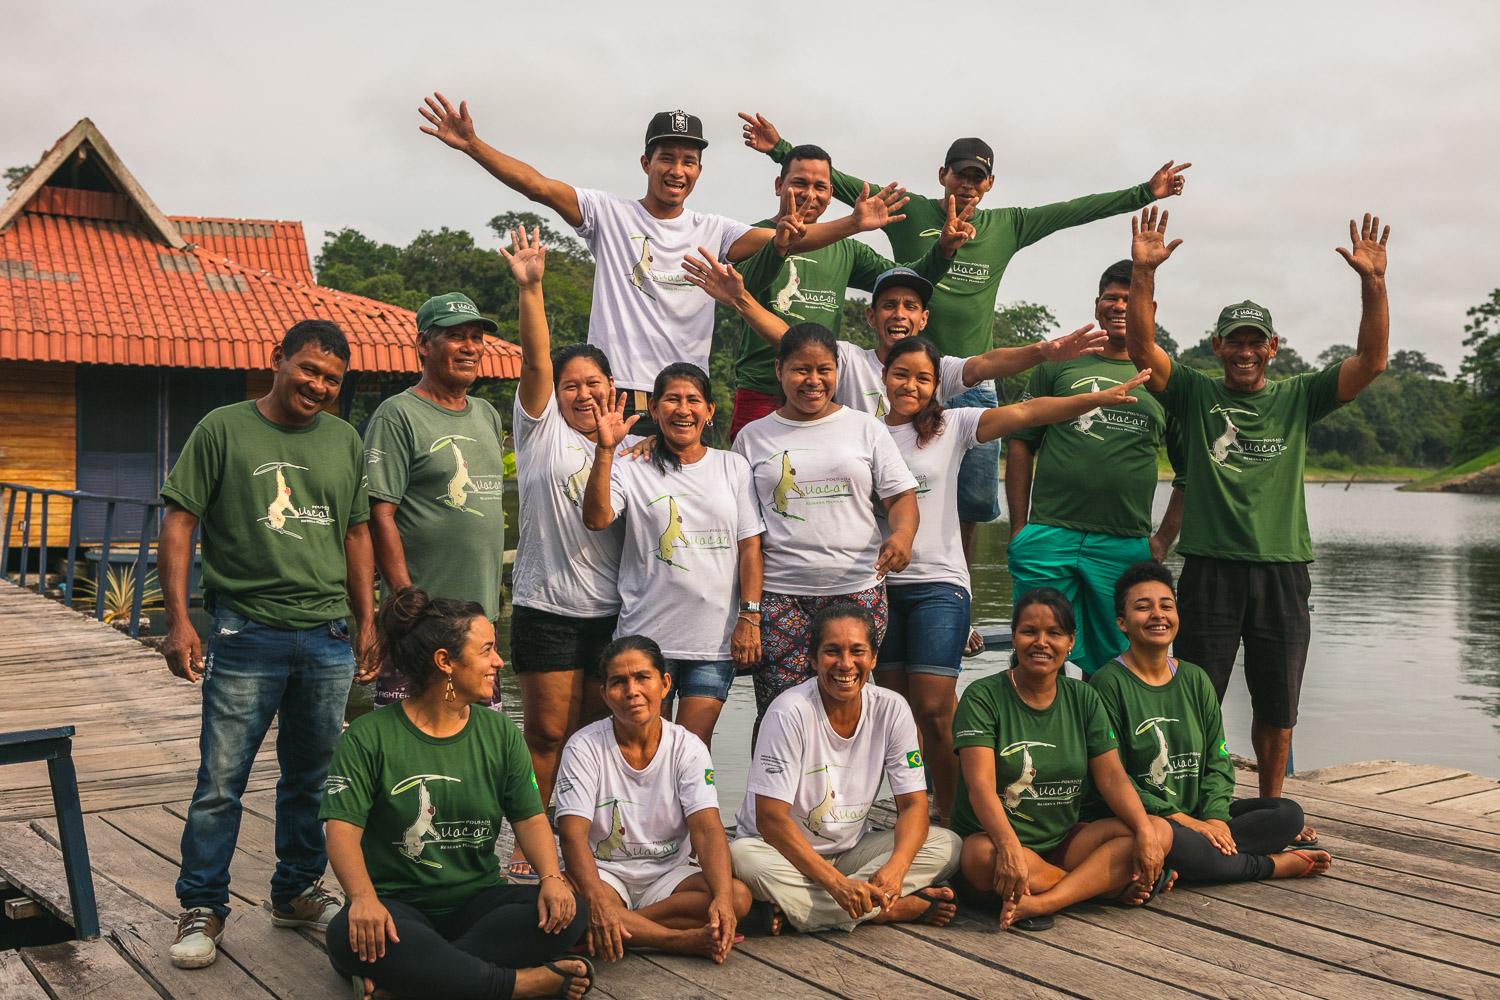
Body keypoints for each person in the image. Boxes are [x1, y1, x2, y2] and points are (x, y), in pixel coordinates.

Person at [740, 111, 1189, 576]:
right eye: (961, 175)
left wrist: (1143, 193)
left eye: (979, 178)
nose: (968, 185)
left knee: (972, 501)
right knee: (878, 486)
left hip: (970, 377)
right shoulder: (910, 209)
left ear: (990, 183)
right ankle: (873, 583)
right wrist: (779, 148)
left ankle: (960, 589)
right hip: (904, 380)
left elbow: (1074, 211)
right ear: (944, 176)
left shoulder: (1008, 224)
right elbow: (833, 182)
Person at [1124, 208, 1391, 831]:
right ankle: (1189, 807)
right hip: (1212, 570)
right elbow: (1142, 349)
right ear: (1217, 347)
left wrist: (1373, 283)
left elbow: (1371, 362)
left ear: (1272, 348)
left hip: (1282, 569)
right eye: (1234, 341)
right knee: (1195, 693)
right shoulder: (1194, 393)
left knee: (1278, 699)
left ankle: (1273, 806)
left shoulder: (1299, 397)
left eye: (1255, 341)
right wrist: (1143, 273)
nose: (1245, 350)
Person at [420, 93, 908, 410]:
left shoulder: (713, 230)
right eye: (667, 158)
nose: (678, 170)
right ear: (646, 162)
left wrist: (852, 223)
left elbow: (788, 238)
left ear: (699, 170)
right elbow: (539, 187)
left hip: (685, 399)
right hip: (614, 393)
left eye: (689, 161)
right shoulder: (608, 214)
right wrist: (474, 146)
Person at [159, 320, 375, 969]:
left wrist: (368, 621)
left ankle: (296, 891)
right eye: (309, 370)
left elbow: (357, 533)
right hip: (245, 629)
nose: (318, 386)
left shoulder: (343, 440)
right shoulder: (223, 428)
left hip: (327, 633)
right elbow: (180, 520)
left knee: (313, 778)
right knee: (221, 781)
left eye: (332, 380)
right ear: (277, 360)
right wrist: (178, 619)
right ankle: (203, 905)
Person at [876, 337, 1152, 825]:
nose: (911, 385)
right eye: (901, 374)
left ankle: (953, 809)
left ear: (937, 384)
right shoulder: (867, 434)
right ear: (884, 377)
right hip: (879, 588)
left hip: (939, 583)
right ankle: (912, 807)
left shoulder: (953, 425)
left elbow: (1029, 413)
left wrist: (1094, 398)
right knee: (896, 713)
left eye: (923, 377)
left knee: (936, 709)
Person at [321, 588, 593, 1000]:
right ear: (445, 662)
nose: (498, 662)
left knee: (569, 912)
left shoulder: (499, 733)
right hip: (397, 907)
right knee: (346, 933)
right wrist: (362, 899)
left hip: (477, 904)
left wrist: (552, 878)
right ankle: (519, 985)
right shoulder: (368, 736)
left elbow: (531, 817)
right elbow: (341, 830)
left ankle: (416, 982)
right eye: (486, 651)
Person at [498, 226, 624, 880]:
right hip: (547, 607)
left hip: (611, 615)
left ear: (612, 388)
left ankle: (587, 847)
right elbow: (535, 361)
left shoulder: (627, 447)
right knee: (545, 737)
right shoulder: (540, 429)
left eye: (593, 383)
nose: (581, 393)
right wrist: (534, 287)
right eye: (572, 385)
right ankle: (528, 847)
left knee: (595, 739)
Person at [1090, 562, 1333, 883]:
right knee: (1164, 837)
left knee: (1287, 814)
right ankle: (1272, 865)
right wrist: (1185, 822)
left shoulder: (1194, 679)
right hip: (1150, 819)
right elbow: (1113, 777)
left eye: (1166, 605)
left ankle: (1192, 861)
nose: (1157, 615)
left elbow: (1218, 762)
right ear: (1122, 622)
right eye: (1143, 607)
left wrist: (1214, 818)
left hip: (1196, 815)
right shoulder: (1107, 684)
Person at [951, 588, 1174, 931]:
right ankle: (1101, 887)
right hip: (997, 840)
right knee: (979, 857)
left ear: (1071, 641)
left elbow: (1113, 777)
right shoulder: (983, 696)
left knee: (1159, 831)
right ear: (1014, 637)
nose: (1041, 642)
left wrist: (1144, 831)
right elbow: (979, 785)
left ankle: (1046, 900)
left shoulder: (1083, 697)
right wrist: (1009, 847)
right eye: (1029, 632)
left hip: (1062, 842)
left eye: (1054, 633)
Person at [730, 603, 961, 934]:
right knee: (742, 857)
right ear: (812, 659)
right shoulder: (789, 713)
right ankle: (882, 911)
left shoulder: (892, 709)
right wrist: (836, 886)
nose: (845, 664)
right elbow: (770, 820)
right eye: (832, 652)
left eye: (857, 651)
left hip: (850, 851)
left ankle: (808, 908)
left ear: (874, 658)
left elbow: (913, 805)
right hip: (781, 853)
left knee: (949, 845)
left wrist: (896, 868)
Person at [728, 324, 919, 723]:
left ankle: (846, 789)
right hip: (780, 597)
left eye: (824, 370)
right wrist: (748, 611)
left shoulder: (866, 427)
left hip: (857, 592)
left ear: (837, 371)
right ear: (779, 370)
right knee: (780, 714)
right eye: (801, 370)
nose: (813, 381)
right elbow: (746, 533)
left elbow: (901, 497)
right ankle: (774, 787)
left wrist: (902, 535)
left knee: (848, 711)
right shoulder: (752, 437)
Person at [1005, 259, 1187, 676]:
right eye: (1112, 297)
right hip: (1050, 532)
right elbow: (1021, 442)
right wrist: (1020, 528)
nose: (1120, 306)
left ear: (1149, 310)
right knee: (1036, 650)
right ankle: (1037, 738)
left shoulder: (1164, 379)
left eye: (1131, 299)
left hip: (1123, 541)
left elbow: (1190, 470)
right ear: (1097, 304)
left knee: (1121, 661)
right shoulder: (1060, 364)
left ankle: (1109, 742)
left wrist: (1162, 540)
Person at [686, 252, 1109, 422]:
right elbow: (790, 336)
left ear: (923, 319)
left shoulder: (934, 371)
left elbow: (986, 364)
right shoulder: (849, 360)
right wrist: (741, 300)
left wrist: (1043, 351)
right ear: (871, 316)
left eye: (910, 307)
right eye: (889, 305)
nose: (899, 315)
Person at [726, 142, 965, 438]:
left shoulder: (846, 250)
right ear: (779, 185)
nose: (809, 194)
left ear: (830, 196)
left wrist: (942, 250)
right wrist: (779, 244)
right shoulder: (749, 236)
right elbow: (741, 289)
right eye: (799, 183)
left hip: (821, 393)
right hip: (762, 390)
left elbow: (905, 277)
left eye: (820, 187)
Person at [582, 363, 764, 747]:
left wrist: (750, 615)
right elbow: (597, 518)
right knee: (645, 745)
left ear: (710, 410)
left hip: (712, 641)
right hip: (645, 638)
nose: (683, 409)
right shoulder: (631, 465)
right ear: (655, 410)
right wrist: (605, 450)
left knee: (694, 748)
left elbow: (750, 546)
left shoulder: (732, 467)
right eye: (672, 400)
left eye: (693, 400)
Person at [556, 636, 750, 965]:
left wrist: (720, 898)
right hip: (603, 874)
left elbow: (707, 828)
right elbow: (572, 835)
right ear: (604, 694)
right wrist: (599, 903)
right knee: (568, 899)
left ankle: (618, 927)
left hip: (666, 876)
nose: (632, 691)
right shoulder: (583, 747)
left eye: (642, 678)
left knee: (737, 897)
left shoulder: (688, 747)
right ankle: (676, 940)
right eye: (619, 682)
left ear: (664, 684)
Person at [364, 291, 508, 708]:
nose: (470, 347)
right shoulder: (398, 414)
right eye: (455, 336)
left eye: (476, 338)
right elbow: (380, 514)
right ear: (424, 345)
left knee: (481, 748)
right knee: (405, 746)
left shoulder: (486, 414)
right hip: (421, 621)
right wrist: (404, 597)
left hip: (480, 624)